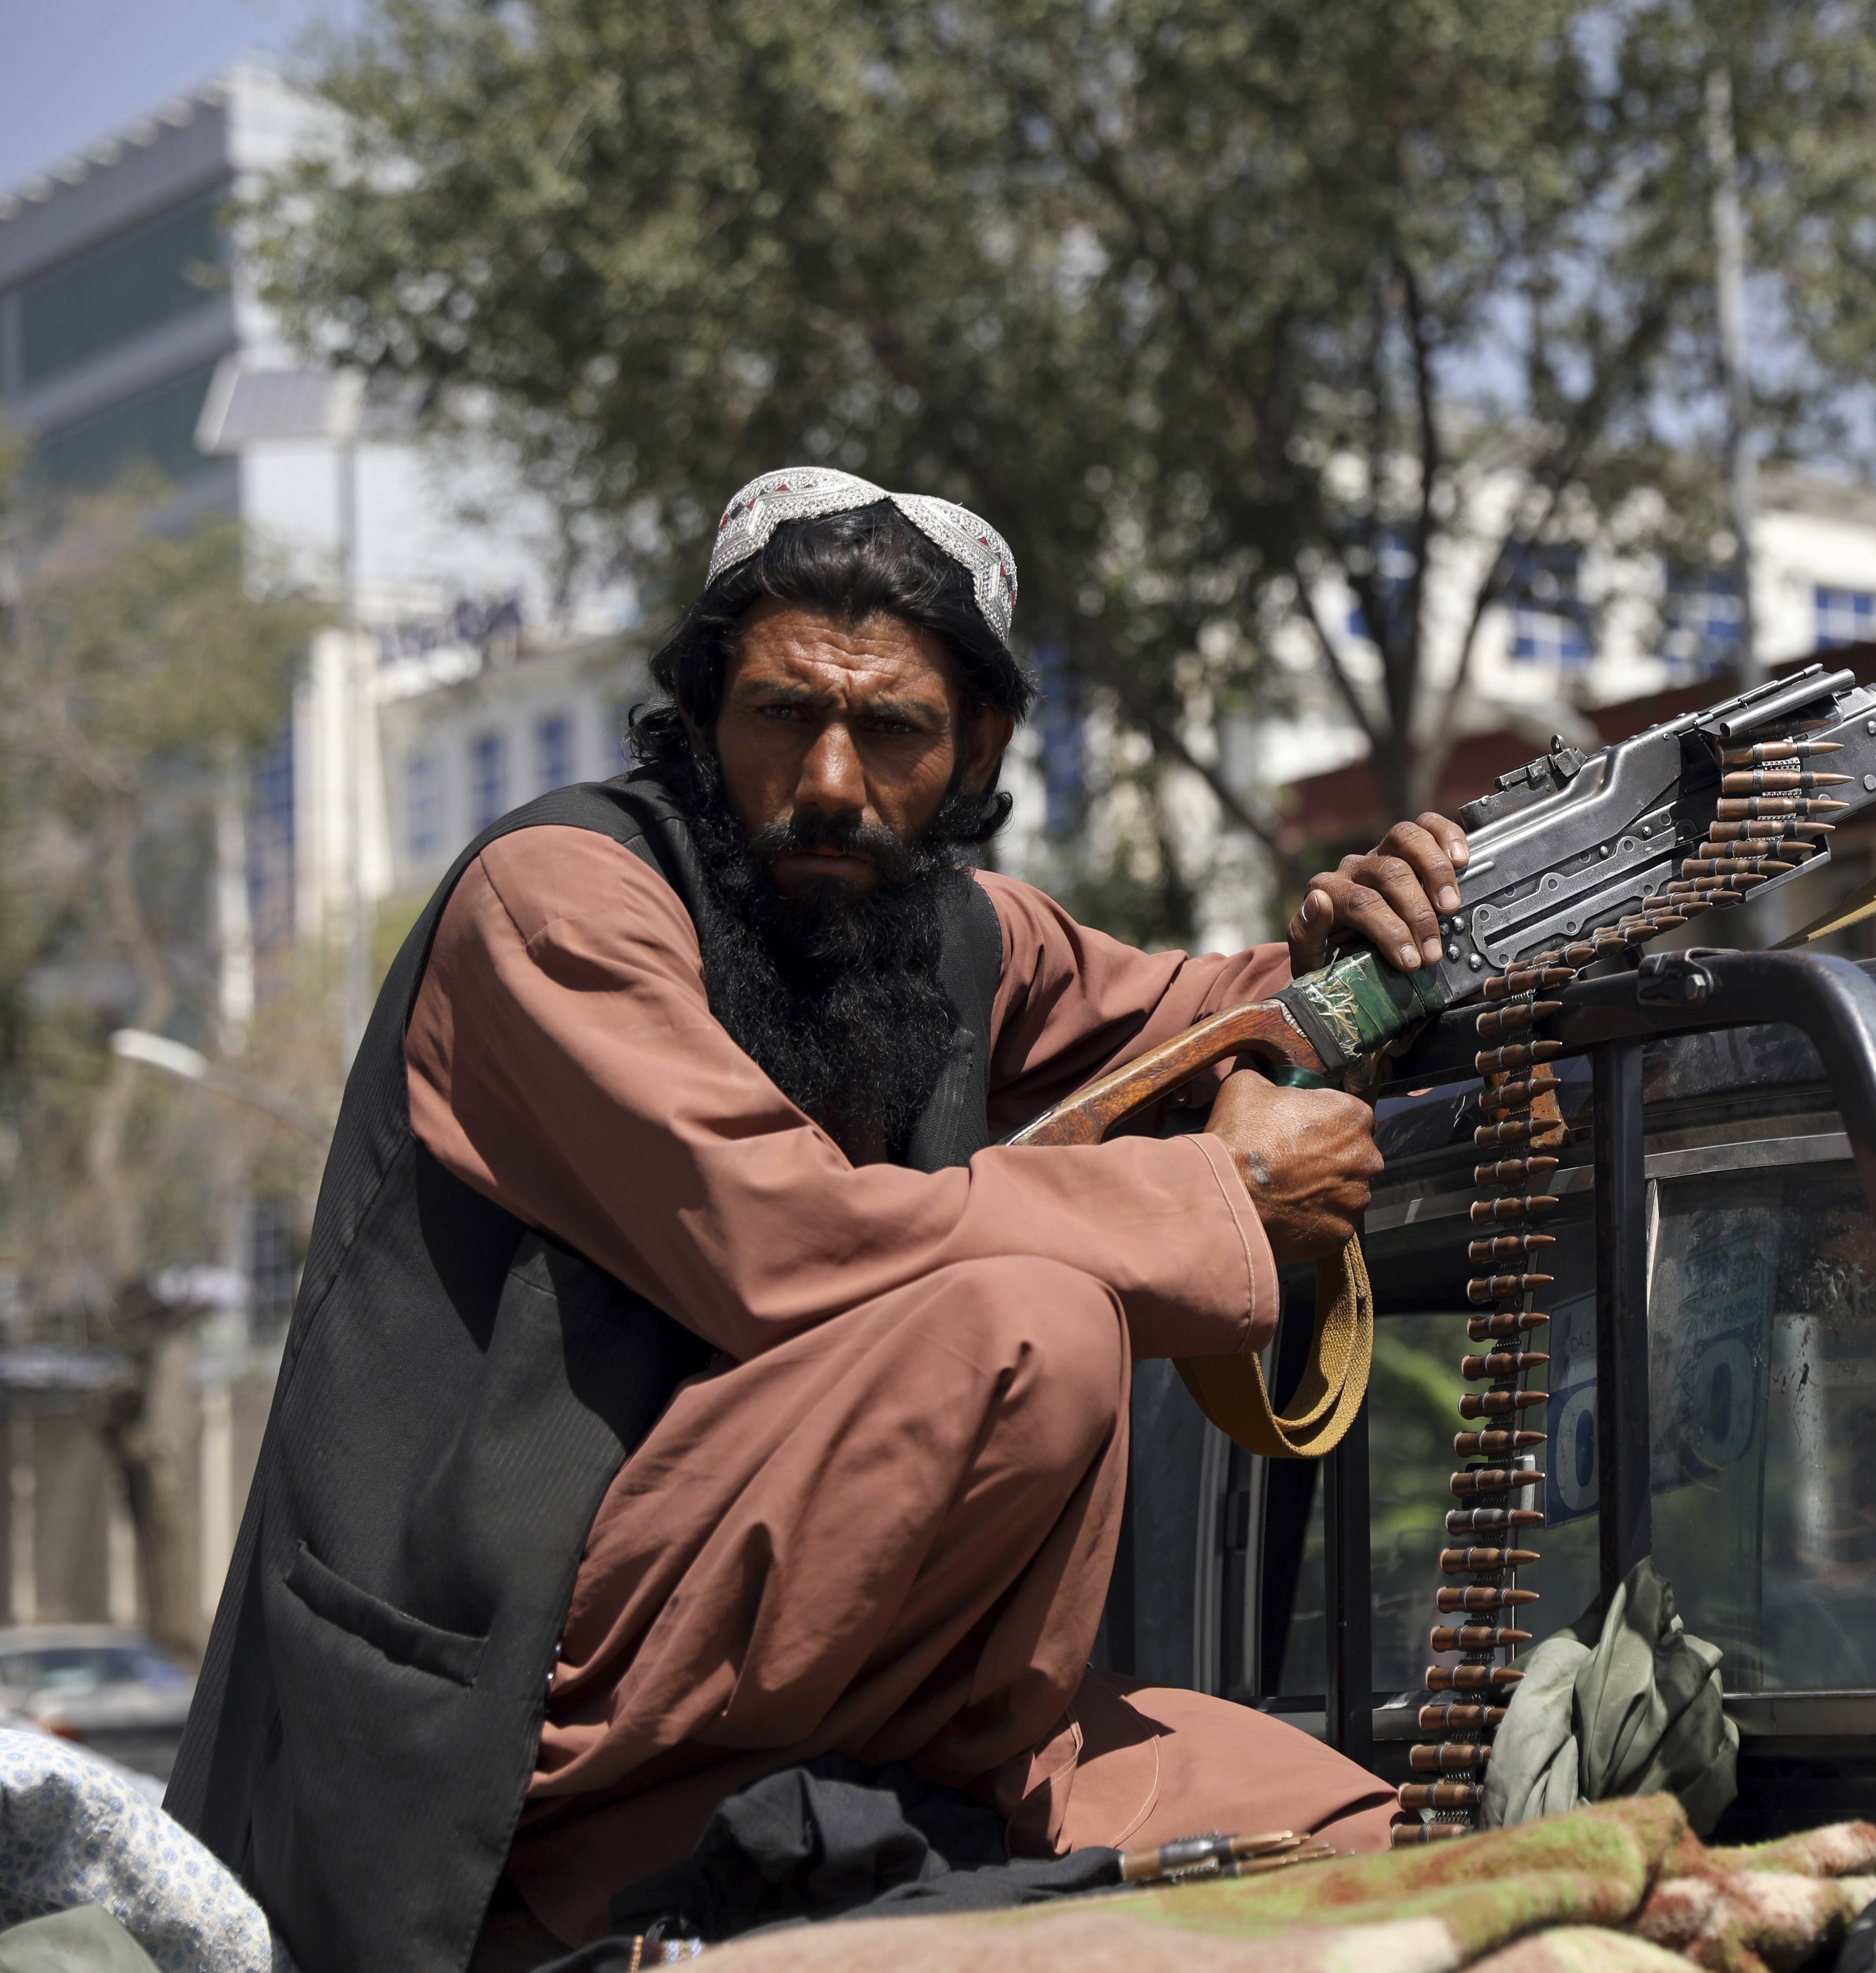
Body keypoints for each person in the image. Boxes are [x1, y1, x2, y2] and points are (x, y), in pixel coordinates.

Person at [164, 469, 1473, 1973]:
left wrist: (1358, 942)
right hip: (521, 1714)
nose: (835, 781)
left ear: (978, 744)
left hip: (858, 1705)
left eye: (896, 732)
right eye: (786, 716)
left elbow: (1205, 1018)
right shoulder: (559, 905)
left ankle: (911, 1826)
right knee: (1028, 1328)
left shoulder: (959, 935)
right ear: (706, 714)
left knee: (1382, 1846)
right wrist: (1216, 1199)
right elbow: (783, 1243)